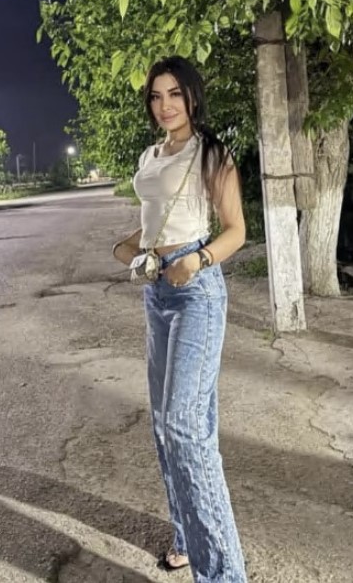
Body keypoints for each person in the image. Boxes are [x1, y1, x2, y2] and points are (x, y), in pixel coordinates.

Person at [112, 56, 247, 582]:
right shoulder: (151, 155)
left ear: (191, 96)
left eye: (174, 94)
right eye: (155, 96)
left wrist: (199, 260)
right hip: (157, 292)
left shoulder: (210, 152)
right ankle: (188, 537)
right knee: (165, 426)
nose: (164, 105)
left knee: (184, 426)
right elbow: (154, 220)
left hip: (196, 292)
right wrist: (130, 247)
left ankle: (224, 575)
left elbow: (235, 230)